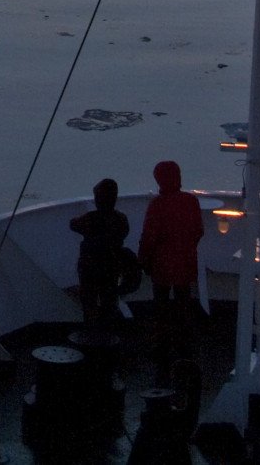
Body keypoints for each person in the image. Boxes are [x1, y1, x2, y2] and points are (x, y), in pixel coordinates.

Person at [137, 160, 203, 377]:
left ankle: (162, 347)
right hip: (185, 262)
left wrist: (143, 260)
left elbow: (149, 237)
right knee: (183, 303)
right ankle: (184, 346)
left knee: (162, 307)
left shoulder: (158, 205)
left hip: (163, 265)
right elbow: (198, 231)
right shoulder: (191, 201)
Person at [69, 177, 130, 328]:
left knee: (89, 300)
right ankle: (108, 330)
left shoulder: (91, 219)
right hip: (111, 267)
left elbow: (73, 224)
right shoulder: (121, 219)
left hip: (90, 268)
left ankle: (92, 330)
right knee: (109, 299)